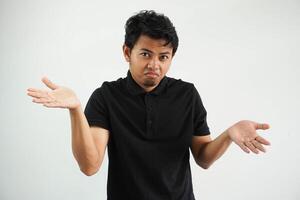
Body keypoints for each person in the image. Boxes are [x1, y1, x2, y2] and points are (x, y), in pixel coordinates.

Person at [27, 10, 271, 200]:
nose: (155, 64)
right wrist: (75, 110)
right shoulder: (106, 97)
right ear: (127, 52)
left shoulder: (186, 94)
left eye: (163, 57)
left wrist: (228, 134)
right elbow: (90, 166)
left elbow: (203, 158)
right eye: (145, 54)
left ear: (171, 57)